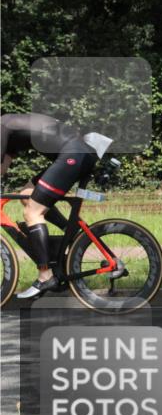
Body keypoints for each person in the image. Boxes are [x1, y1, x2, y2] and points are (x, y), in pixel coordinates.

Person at [0, 113, 100, 298]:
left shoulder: (2, 126)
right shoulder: (8, 127)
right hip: (76, 152)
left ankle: (45, 276)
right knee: (26, 195)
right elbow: (2, 168)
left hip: (73, 153)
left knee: (32, 212)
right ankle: (72, 235)